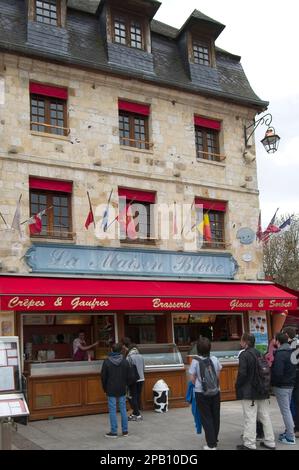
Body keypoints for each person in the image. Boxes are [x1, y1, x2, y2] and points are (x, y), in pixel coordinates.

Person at [235, 333, 276, 450]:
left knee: (250, 417)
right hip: (262, 389)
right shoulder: (259, 353)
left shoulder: (244, 355)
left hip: (249, 391)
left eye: (241, 340)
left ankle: (249, 443)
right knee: (265, 416)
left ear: (246, 342)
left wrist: (238, 385)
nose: (240, 342)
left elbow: (242, 373)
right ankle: (270, 441)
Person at [189, 337, 222, 450]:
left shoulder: (195, 361)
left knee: (206, 417)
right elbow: (217, 376)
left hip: (201, 392)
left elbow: (192, 379)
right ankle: (214, 439)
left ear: (198, 349)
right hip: (216, 392)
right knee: (215, 416)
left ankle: (211, 444)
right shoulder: (215, 359)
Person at [101, 342, 132, 438]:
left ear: (111, 350)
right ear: (121, 350)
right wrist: (126, 385)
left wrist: (104, 388)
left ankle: (114, 431)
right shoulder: (124, 361)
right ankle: (125, 431)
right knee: (123, 409)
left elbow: (103, 377)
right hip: (122, 387)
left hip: (110, 388)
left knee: (112, 410)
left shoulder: (106, 362)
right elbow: (129, 376)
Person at [271, 332, 297, 445]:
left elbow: (278, 372)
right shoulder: (292, 352)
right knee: (287, 410)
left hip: (281, 386)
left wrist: (272, 383)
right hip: (290, 384)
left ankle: (290, 436)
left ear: (278, 341)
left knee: (286, 411)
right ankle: (289, 433)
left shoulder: (280, 354)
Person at [122, 338, 145, 421]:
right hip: (141, 378)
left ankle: (137, 415)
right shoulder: (140, 355)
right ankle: (135, 413)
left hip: (133, 380)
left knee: (132, 397)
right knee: (137, 396)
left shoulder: (129, 357)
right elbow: (143, 368)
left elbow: (127, 369)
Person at [283, 327, 299, 438]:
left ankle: (296, 428)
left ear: (287, 335)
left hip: (294, 379)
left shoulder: (292, 346)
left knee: (294, 404)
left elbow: (292, 364)